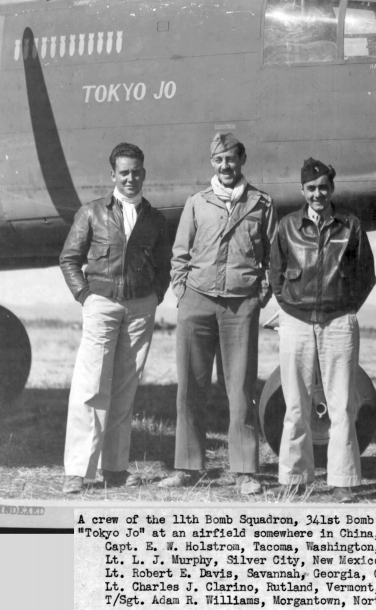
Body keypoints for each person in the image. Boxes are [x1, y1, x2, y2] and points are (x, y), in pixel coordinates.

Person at [160, 133, 277, 495]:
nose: (225, 166)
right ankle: (188, 466)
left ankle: (245, 471)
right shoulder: (197, 202)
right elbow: (180, 253)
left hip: (240, 306)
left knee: (240, 388)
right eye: (218, 160)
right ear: (212, 163)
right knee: (190, 387)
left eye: (231, 158)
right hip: (197, 301)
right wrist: (182, 291)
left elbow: (272, 259)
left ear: (242, 159)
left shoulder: (261, 203)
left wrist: (258, 296)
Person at [59, 143, 171, 494]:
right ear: (113, 175)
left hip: (140, 308)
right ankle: (77, 471)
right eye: (124, 172)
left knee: (125, 390)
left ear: (144, 173)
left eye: (136, 171)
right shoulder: (91, 213)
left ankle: (115, 469)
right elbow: (69, 259)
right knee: (91, 387)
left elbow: (164, 267)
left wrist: (154, 297)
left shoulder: (155, 219)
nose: (130, 178)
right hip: (101, 305)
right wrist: (85, 296)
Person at [270, 159, 376, 502]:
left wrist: (343, 308)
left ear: (332, 188)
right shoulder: (287, 226)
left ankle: (343, 480)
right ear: (302, 191)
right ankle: (293, 477)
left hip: (338, 321)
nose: (318, 194)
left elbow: (366, 275)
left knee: (341, 404)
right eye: (311, 188)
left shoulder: (350, 225)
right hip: (296, 320)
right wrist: (291, 307)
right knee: (296, 404)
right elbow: (275, 273)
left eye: (323, 187)